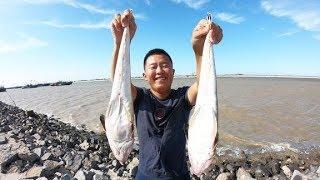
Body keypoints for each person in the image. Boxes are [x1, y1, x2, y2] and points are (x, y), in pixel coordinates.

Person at [109, 9, 223, 180]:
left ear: (173, 71)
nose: (159, 70)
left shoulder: (182, 98)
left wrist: (198, 48)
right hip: (144, 176)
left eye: (164, 65)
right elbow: (119, 83)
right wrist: (120, 42)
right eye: (153, 67)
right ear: (144, 75)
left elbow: (204, 85)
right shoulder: (140, 98)